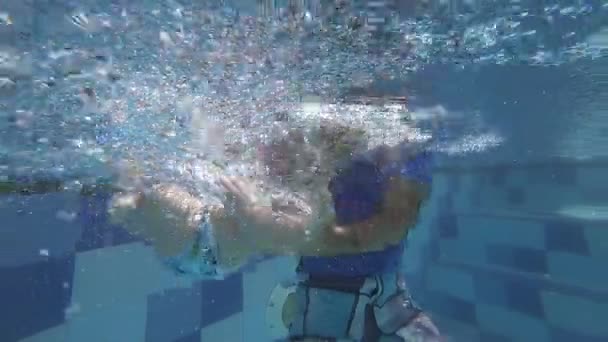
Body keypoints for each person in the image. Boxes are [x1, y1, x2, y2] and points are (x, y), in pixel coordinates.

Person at [2, 99, 443, 341]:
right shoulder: (310, 162)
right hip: (307, 290)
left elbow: (391, 224)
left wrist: (275, 229)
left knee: (139, 193)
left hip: (228, 251)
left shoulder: (396, 142)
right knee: (138, 194)